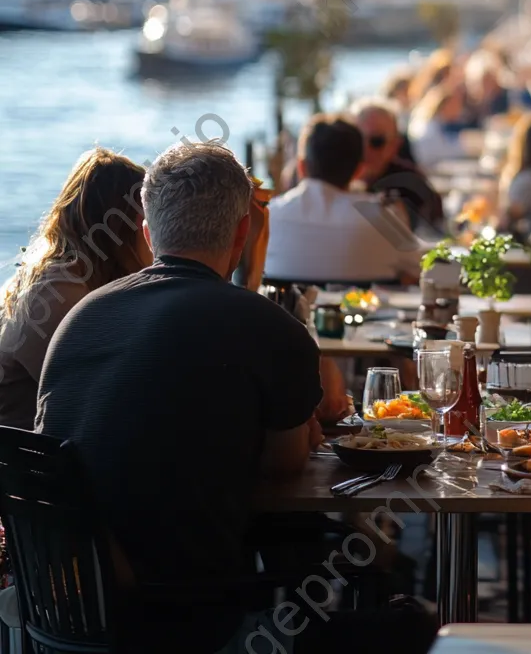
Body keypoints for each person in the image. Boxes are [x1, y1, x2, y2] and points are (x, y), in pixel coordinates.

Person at [35, 142, 325, 652]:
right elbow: (287, 465)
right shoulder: (271, 329)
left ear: (148, 234)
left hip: (68, 613)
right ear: (241, 232)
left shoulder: (77, 321)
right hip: (187, 616)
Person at [0, 148, 150, 431]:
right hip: (23, 462)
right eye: (146, 218)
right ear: (119, 226)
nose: (150, 231)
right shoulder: (60, 289)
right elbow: (98, 397)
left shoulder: (64, 275)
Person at [264, 113, 422, 284]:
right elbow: (423, 267)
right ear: (359, 171)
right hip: (364, 310)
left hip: (286, 310)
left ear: (301, 167)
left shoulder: (268, 217)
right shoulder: (383, 220)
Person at [350, 97, 444, 232]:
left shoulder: (411, 184)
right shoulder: (334, 179)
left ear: (395, 145)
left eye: (376, 142)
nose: (365, 149)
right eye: (357, 139)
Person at [407, 82, 469, 169]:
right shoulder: (428, 128)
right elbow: (435, 156)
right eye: (456, 104)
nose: (459, 109)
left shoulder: (434, 123)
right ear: (445, 105)